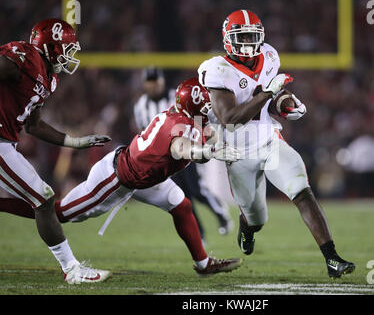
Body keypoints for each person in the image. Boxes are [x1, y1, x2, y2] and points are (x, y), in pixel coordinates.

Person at [1, 78, 243, 277]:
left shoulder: (187, 118)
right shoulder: (175, 125)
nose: (209, 108)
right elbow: (183, 148)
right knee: (58, 213)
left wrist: (218, 141)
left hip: (147, 179)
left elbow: (205, 134)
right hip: (117, 178)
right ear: (193, 106)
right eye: (205, 105)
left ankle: (203, 265)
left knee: (182, 206)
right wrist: (210, 150)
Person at [197, 10, 355, 278]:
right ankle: (247, 227)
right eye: (242, 36)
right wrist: (270, 93)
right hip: (238, 152)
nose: (248, 42)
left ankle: (332, 258)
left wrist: (285, 103)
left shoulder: (269, 55)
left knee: (301, 190)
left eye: (252, 36)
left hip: (269, 139)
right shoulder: (217, 69)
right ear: (228, 39)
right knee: (257, 218)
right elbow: (231, 120)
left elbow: (270, 96)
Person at [0, 19, 112, 284]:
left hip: (7, 141)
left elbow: (34, 125)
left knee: (43, 198)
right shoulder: (24, 56)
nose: (71, 55)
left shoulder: (49, 78)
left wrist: (75, 142)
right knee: (43, 198)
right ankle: (72, 270)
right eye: (67, 48)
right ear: (50, 46)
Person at [134, 67, 233, 243]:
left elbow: (198, 114)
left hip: (187, 147)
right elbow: (145, 131)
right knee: (183, 197)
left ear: (162, 81)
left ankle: (220, 213)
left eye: (156, 81)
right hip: (166, 156)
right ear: (144, 84)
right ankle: (200, 235)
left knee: (197, 189)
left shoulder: (178, 95)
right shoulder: (141, 106)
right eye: (150, 82)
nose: (154, 86)